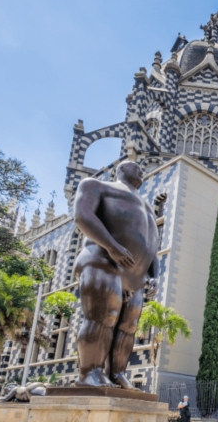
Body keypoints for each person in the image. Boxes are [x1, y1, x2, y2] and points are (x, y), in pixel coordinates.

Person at [72, 161, 159, 388]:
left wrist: (153, 274)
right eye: (135, 165)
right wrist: (111, 246)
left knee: (128, 327)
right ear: (119, 170)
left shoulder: (148, 207)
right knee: (103, 317)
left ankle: (117, 374)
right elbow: (82, 216)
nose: (142, 168)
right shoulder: (96, 185)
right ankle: (89, 372)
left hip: (135, 278)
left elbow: (151, 245)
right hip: (102, 260)